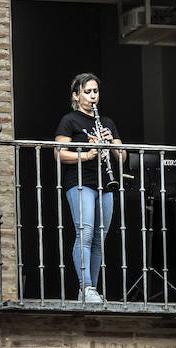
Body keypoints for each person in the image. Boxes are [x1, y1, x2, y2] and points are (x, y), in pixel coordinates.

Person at [54, 72, 125, 304]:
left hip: (105, 182)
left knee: (98, 239)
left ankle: (91, 289)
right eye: (87, 92)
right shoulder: (70, 120)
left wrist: (110, 141)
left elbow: (122, 157)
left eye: (95, 91)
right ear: (76, 95)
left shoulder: (107, 123)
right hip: (80, 182)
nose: (92, 96)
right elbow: (58, 154)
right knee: (84, 233)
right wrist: (86, 154)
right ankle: (85, 287)